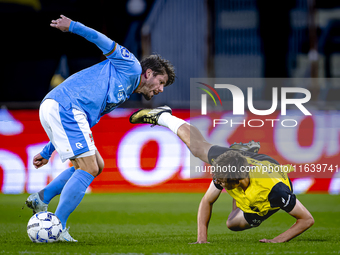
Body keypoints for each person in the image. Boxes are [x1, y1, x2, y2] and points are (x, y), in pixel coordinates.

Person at [25, 15, 175, 242]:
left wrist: (47, 152)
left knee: (97, 165)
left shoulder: (123, 91)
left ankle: (41, 198)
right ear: (149, 73)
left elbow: (76, 126)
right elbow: (100, 39)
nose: (161, 89)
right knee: (88, 167)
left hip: (63, 109)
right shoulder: (131, 66)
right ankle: (58, 226)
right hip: (66, 106)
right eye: (161, 82)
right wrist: (72, 27)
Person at [129, 106, 314, 243]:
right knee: (198, 148)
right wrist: (202, 239)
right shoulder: (224, 172)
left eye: (222, 182)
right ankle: (164, 116)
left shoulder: (275, 191)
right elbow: (207, 201)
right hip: (239, 160)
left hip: (268, 174)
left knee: (233, 224)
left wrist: (277, 240)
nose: (217, 181)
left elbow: (306, 219)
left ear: (236, 180)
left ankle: (243, 152)